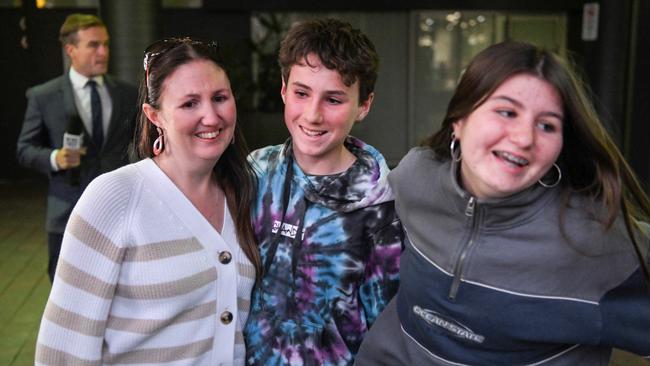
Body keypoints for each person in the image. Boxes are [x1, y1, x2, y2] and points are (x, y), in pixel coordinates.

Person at [355, 41, 650, 365]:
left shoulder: (594, 238)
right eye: (507, 112)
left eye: (547, 125)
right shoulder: (416, 177)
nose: (524, 138)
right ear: (459, 119)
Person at [35, 37, 261, 365]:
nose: (211, 116)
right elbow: (62, 353)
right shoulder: (114, 198)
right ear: (154, 115)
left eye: (220, 98)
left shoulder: (245, 192)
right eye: (189, 104)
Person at [243, 18, 402, 365]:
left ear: (364, 105)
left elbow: (384, 321)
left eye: (333, 99)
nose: (313, 115)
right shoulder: (255, 172)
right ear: (284, 90)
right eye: (301, 93)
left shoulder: (382, 203)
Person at [16, 13, 138, 282]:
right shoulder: (44, 95)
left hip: (120, 211)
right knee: (66, 292)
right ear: (70, 49)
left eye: (106, 44)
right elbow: (24, 148)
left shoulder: (127, 94)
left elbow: (138, 145)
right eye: (94, 45)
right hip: (66, 212)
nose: (103, 52)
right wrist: (55, 158)